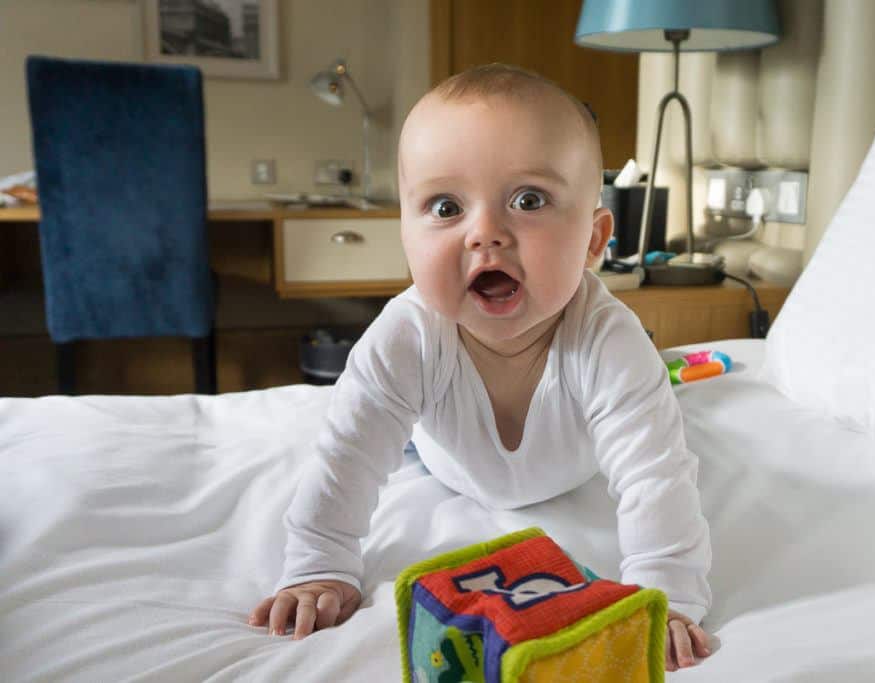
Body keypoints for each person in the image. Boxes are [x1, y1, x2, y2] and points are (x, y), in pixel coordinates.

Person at [248, 63, 713, 671]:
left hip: (577, 465)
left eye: (528, 200)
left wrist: (666, 597)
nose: (485, 233)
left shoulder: (610, 342)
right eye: (445, 206)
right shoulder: (407, 335)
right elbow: (347, 455)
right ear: (407, 239)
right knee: (388, 428)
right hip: (443, 455)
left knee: (662, 419)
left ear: (595, 240)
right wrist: (319, 567)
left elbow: (656, 478)